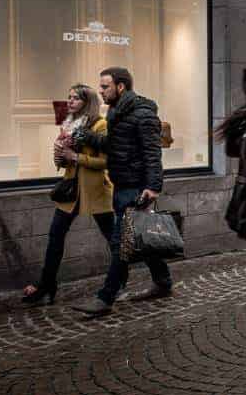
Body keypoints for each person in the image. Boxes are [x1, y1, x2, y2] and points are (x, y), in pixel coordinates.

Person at [72, 67, 172, 316]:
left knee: (121, 243)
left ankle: (105, 299)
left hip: (136, 189)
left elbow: (153, 153)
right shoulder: (117, 111)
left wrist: (152, 187)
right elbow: (113, 145)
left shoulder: (143, 114)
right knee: (141, 240)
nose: (101, 91)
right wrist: (89, 138)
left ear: (121, 86)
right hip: (121, 185)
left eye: (105, 86)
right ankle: (163, 282)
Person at [22, 84, 114, 305]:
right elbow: (64, 163)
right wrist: (60, 156)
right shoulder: (70, 124)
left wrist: (75, 157)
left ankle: (149, 270)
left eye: (75, 98)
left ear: (88, 102)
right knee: (55, 237)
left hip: (96, 191)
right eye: (69, 97)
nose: (70, 101)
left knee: (115, 240)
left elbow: (106, 161)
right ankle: (47, 286)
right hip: (71, 191)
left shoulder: (101, 125)